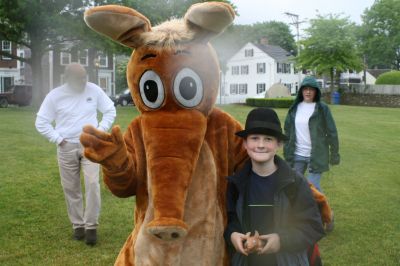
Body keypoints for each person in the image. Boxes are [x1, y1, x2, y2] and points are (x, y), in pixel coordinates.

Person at [224, 108, 325, 266]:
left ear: (278, 143)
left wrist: (280, 240)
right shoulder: (236, 183)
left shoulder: (295, 183)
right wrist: (233, 235)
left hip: (286, 261)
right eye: (255, 138)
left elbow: (313, 227)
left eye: (268, 139)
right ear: (245, 143)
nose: (261, 145)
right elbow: (230, 221)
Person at [35, 63, 116, 246]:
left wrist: (99, 130)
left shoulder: (94, 90)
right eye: (79, 78)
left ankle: (91, 227)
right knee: (70, 188)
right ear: (67, 78)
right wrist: (57, 139)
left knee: (93, 184)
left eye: (84, 77)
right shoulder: (55, 95)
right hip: (66, 146)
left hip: (90, 146)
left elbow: (110, 110)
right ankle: (78, 225)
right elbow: (41, 122)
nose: (83, 81)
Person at [283, 76, 340, 193]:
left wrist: (334, 154)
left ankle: (324, 211)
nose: (308, 92)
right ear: (301, 91)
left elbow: (332, 132)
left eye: (311, 89)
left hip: (316, 156)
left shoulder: (322, 108)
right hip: (297, 154)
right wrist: (287, 151)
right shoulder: (294, 108)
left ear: (316, 91)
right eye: (305, 89)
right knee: (294, 186)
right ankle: (299, 210)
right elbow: (287, 131)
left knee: (313, 188)